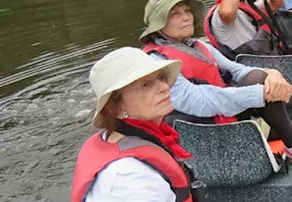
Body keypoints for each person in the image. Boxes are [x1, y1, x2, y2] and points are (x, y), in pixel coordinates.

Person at [140, 0, 292, 163]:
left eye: (187, 11)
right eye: (175, 14)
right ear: (159, 26)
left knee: (260, 78)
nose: (186, 17)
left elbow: (237, 69)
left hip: (228, 118)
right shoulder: (156, 62)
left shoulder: (198, 45)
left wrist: (271, 74)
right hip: (205, 135)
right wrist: (261, 93)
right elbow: (199, 101)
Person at [72, 47, 200, 202]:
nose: (165, 87)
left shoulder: (122, 137)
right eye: (146, 85)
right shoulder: (130, 181)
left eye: (161, 78)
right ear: (116, 108)